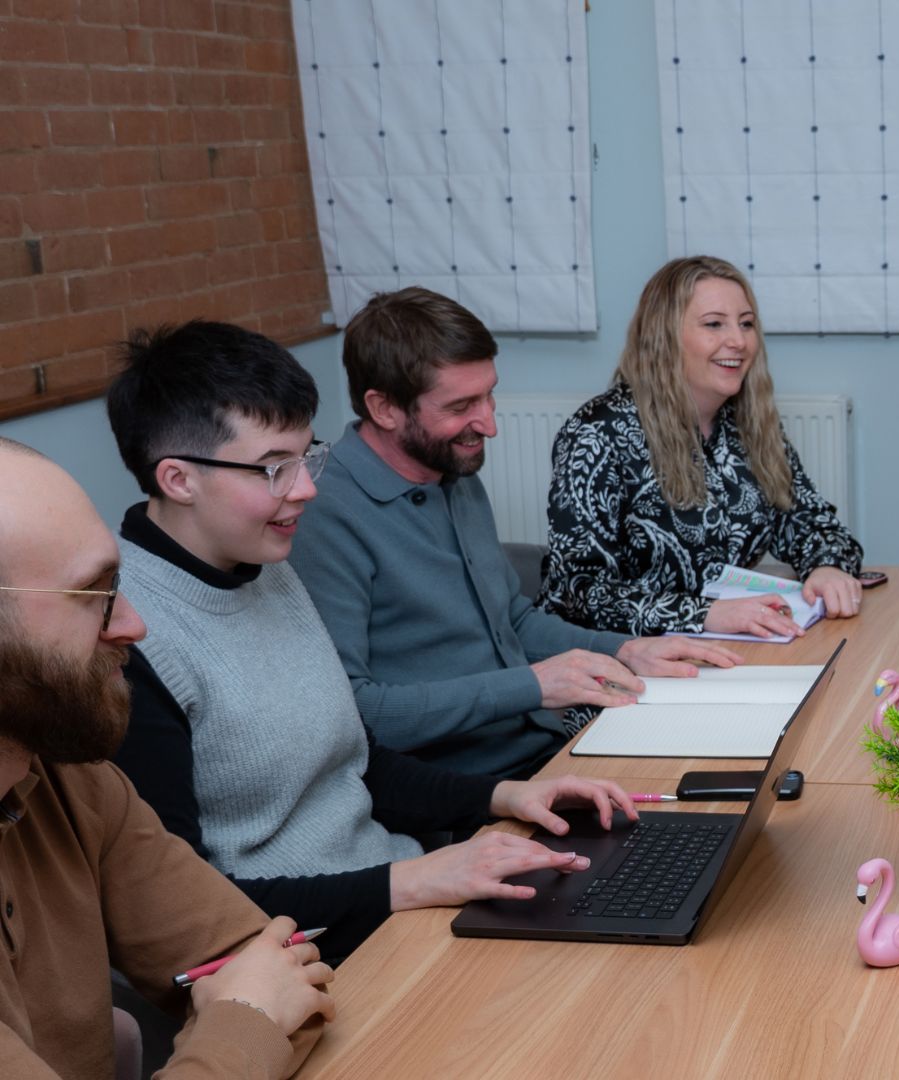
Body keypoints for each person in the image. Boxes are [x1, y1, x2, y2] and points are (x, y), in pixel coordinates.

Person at [104, 321, 648, 961]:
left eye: (307, 457)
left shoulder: (265, 566)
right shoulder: (127, 638)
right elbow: (182, 907)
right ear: (178, 480)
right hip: (303, 951)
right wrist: (410, 880)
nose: (306, 488)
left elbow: (352, 762)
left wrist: (508, 796)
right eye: (275, 469)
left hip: (393, 895)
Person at [289, 287, 740, 778]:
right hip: (462, 787)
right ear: (384, 409)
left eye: (489, 394)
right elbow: (355, 717)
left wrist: (625, 649)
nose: (488, 424)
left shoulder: (452, 474)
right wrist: (533, 686)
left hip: (538, 747)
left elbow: (511, 621)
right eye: (461, 406)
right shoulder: (323, 513)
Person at [0, 437, 333, 1077]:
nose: (133, 624)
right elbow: (262, 1006)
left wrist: (247, 1018)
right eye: (93, 594)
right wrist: (244, 1024)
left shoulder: (67, 774)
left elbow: (284, 974)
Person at [541, 255, 865, 640]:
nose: (739, 341)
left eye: (747, 324)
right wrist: (706, 614)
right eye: (714, 324)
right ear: (664, 338)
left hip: (728, 647)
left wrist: (825, 566)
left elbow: (809, 522)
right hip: (619, 660)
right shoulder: (597, 433)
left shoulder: (748, 423)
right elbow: (579, 591)